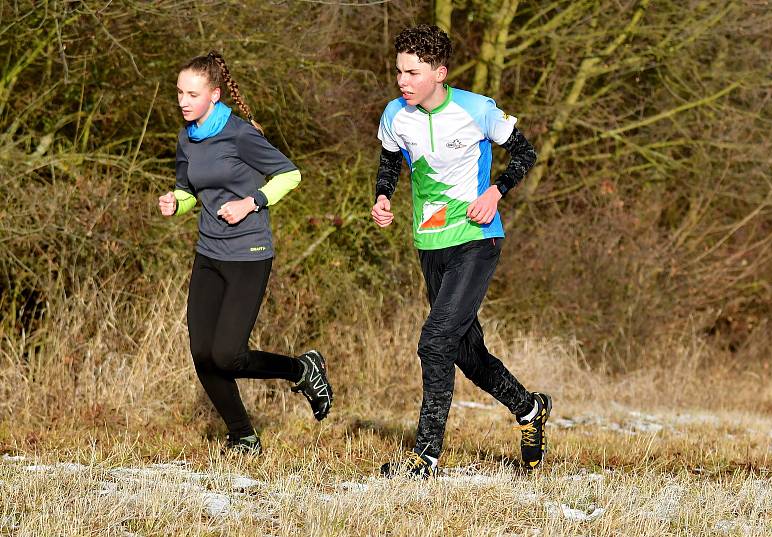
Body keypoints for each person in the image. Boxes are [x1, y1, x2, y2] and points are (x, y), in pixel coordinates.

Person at [371, 25, 549, 477]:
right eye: (399, 72)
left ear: (439, 73)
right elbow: (391, 159)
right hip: (429, 243)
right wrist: (383, 196)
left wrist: (497, 190)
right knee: (466, 355)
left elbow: (525, 153)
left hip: (477, 238)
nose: (402, 81)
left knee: (434, 343)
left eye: (412, 73)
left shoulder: (476, 109)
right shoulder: (395, 114)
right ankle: (529, 409)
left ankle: (425, 457)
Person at [158, 51, 333, 455]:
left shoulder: (239, 134)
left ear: (214, 95)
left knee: (228, 355)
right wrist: (176, 203)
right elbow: (189, 190)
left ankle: (302, 369)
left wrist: (251, 202)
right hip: (208, 253)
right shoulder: (187, 137)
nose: (184, 101)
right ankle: (243, 436)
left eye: (192, 93)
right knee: (203, 353)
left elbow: (290, 174)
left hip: (248, 253)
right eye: (179, 93)